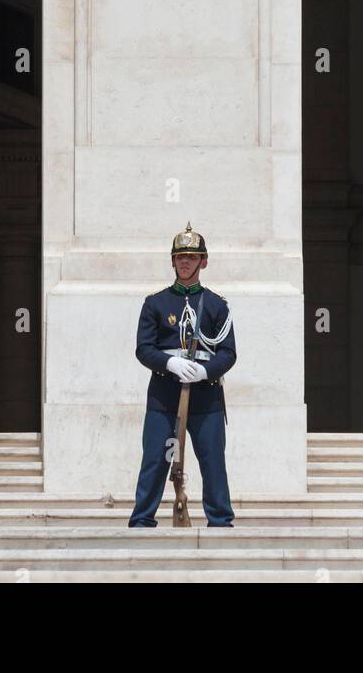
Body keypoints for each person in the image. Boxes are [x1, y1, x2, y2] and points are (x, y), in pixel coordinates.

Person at [128, 222, 236, 527]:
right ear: (173, 261)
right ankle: (142, 520)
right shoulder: (156, 304)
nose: (184, 262)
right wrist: (169, 364)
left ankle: (220, 521)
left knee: (212, 461)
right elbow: (143, 348)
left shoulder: (217, 306)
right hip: (165, 394)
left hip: (205, 396)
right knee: (155, 460)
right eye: (180, 257)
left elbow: (228, 353)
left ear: (204, 261)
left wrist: (204, 371)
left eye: (191, 257)